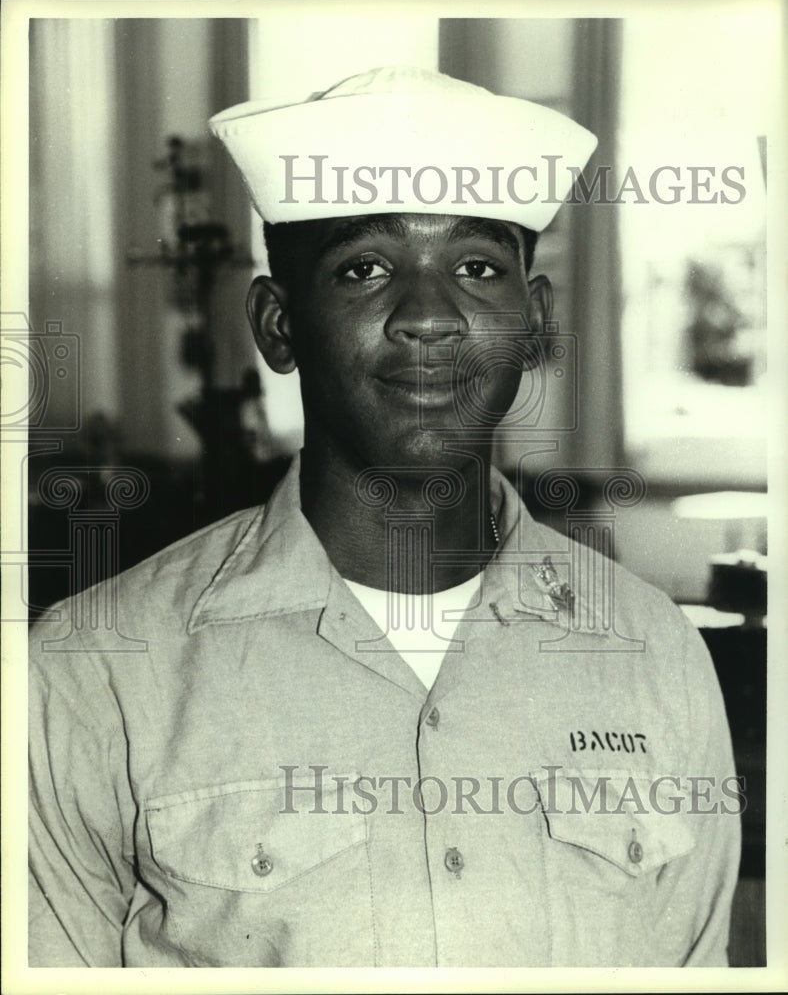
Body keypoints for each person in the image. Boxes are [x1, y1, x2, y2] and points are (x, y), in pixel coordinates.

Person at [28, 66, 740, 968]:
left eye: (478, 268)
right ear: (278, 326)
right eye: (365, 269)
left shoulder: (656, 654)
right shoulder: (92, 674)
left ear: (533, 318)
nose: (430, 318)